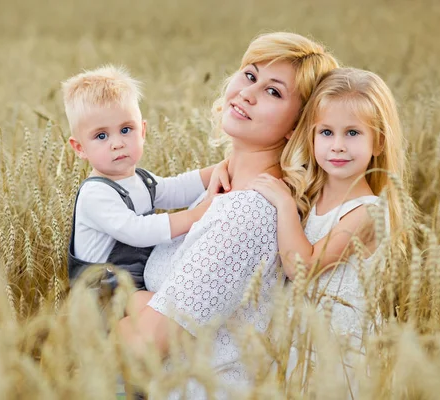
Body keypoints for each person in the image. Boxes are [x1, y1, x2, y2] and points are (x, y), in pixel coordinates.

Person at [116, 32, 339, 399]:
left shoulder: (246, 213)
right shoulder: (222, 187)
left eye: (274, 92)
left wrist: (121, 306)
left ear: (298, 127)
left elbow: (147, 346)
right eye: (250, 75)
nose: (248, 93)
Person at [247, 67, 410, 391]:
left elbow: (302, 266)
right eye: (326, 133)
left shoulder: (367, 212)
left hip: (339, 352)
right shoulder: (309, 193)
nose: (337, 145)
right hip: (299, 342)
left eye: (352, 133)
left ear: (378, 141)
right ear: (311, 136)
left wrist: (282, 205)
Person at [62, 65, 230, 292]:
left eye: (126, 129)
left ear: (142, 132)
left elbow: (177, 188)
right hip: (103, 294)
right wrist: (196, 215)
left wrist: (224, 167)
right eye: (101, 135)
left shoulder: (140, 180)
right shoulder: (95, 194)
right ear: (80, 148)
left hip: (133, 284)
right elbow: (137, 231)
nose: (117, 143)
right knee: (158, 311)